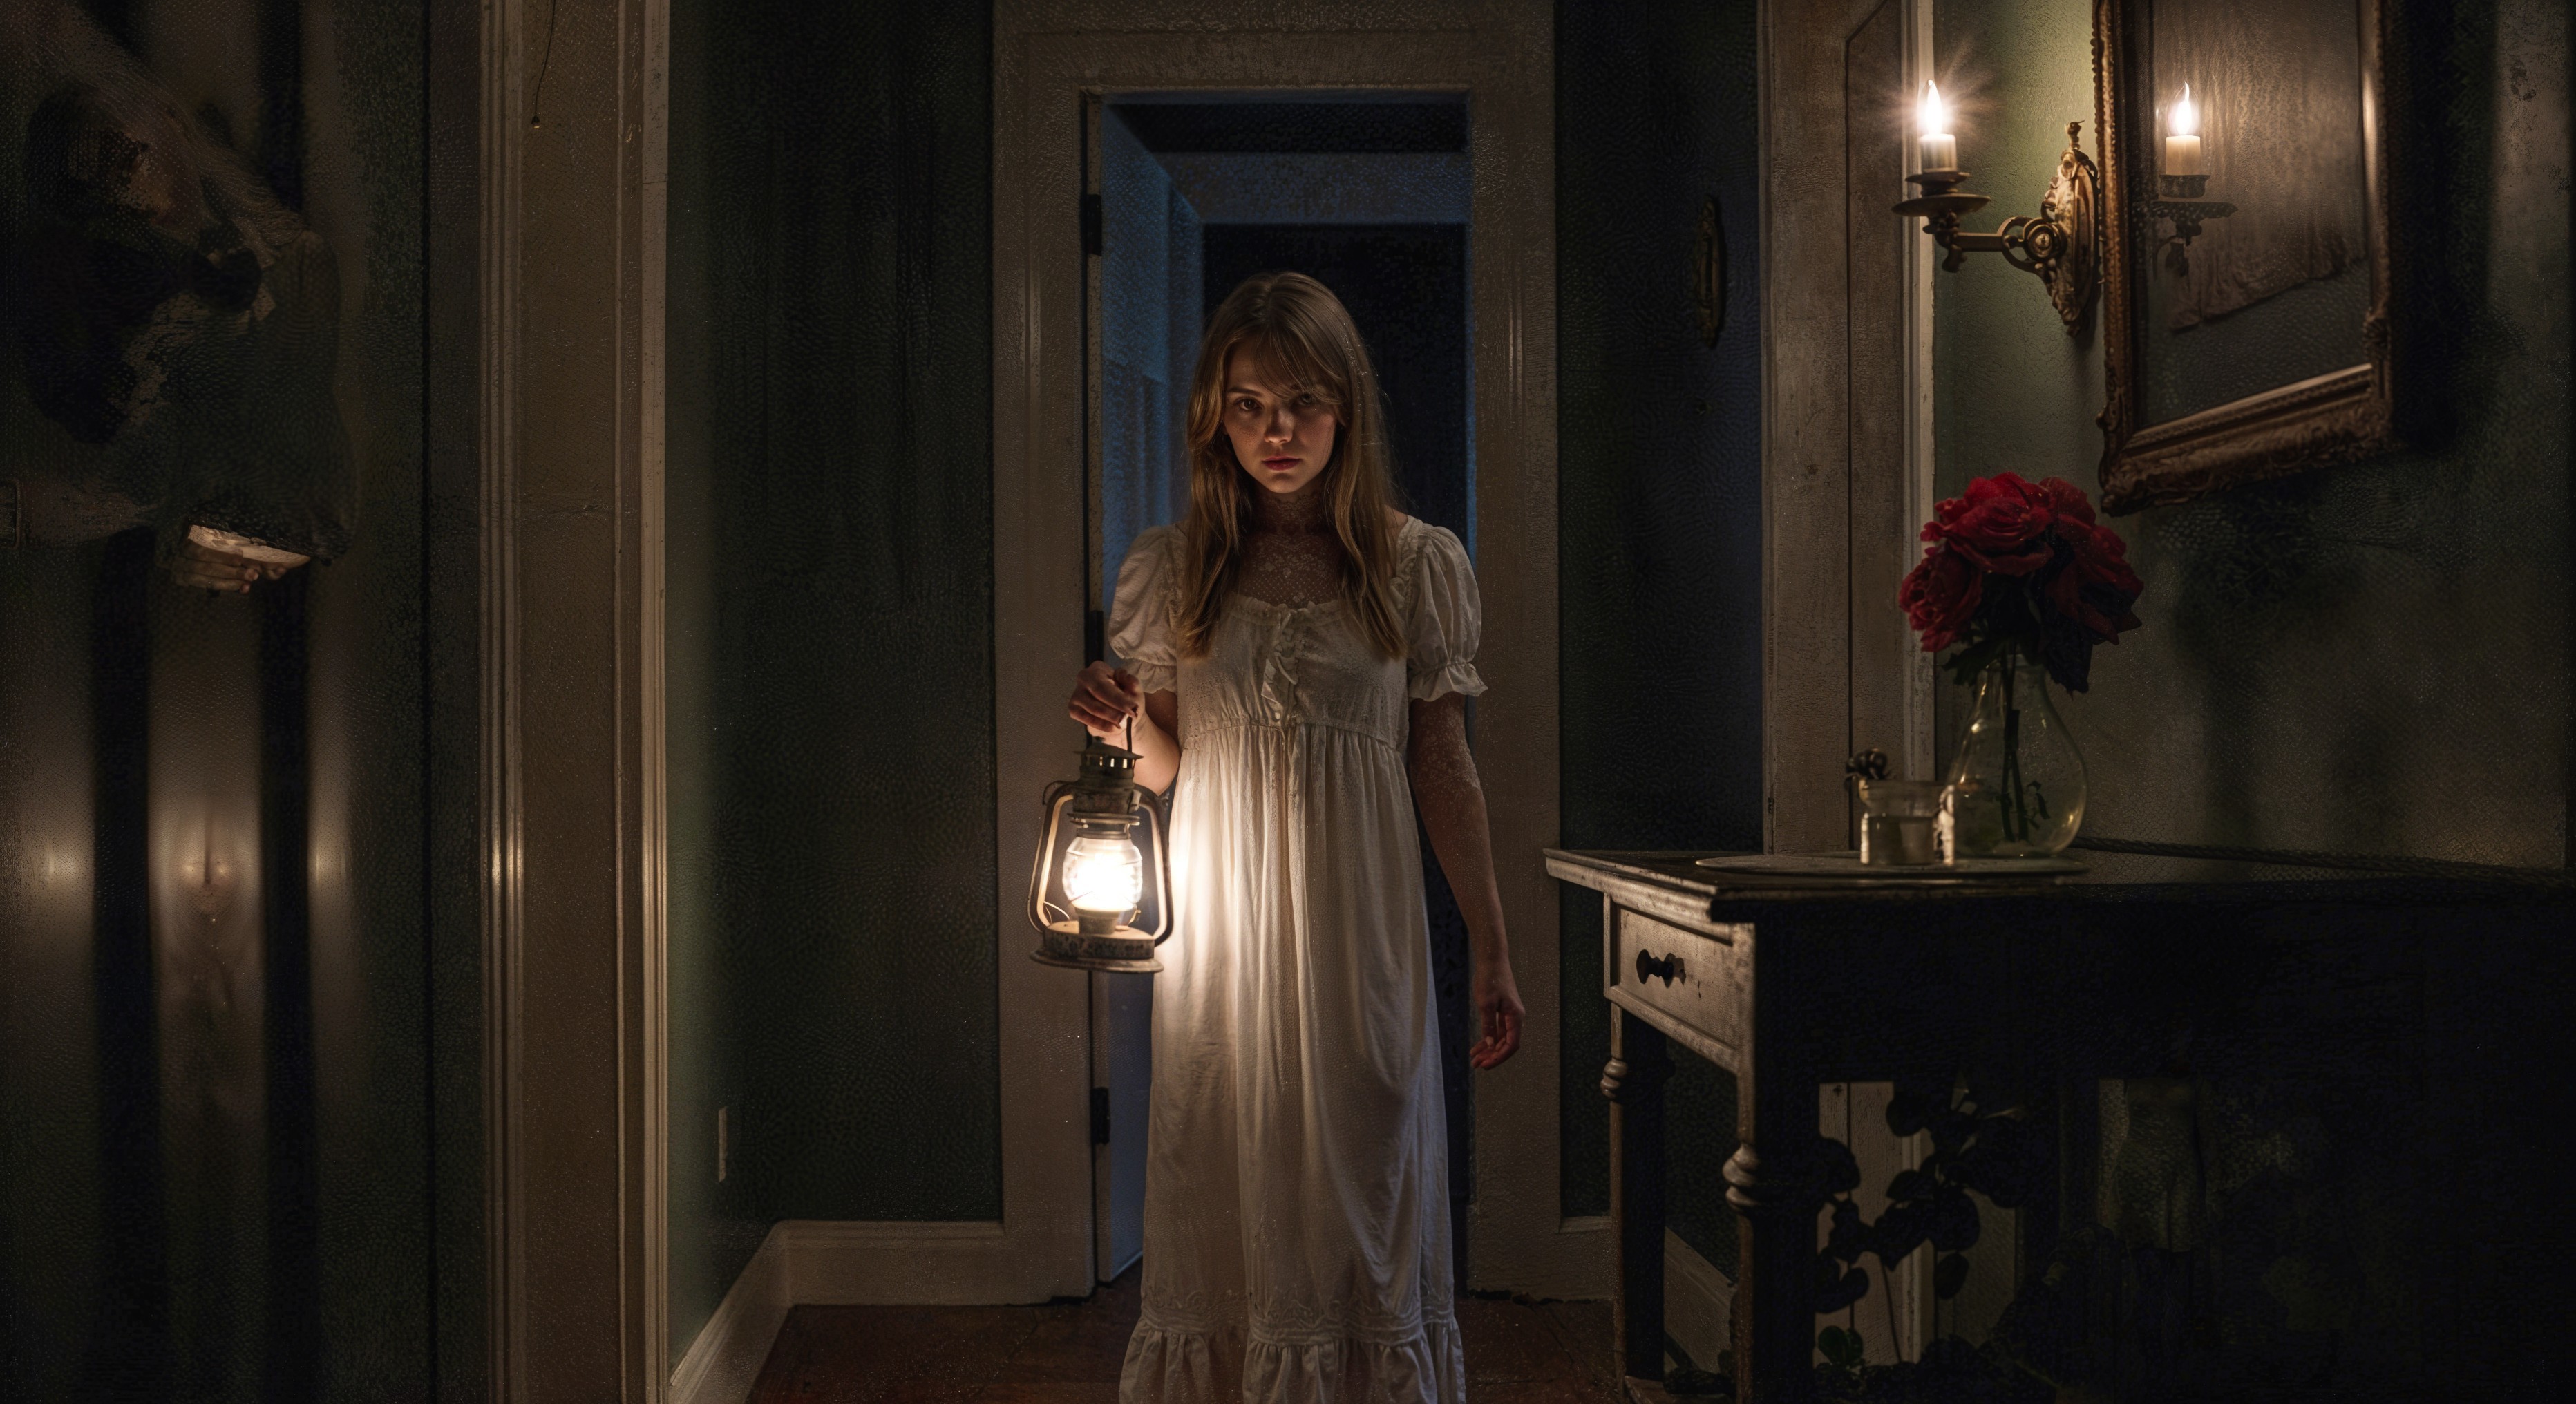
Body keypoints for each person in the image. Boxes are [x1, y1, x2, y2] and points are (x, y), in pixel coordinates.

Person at [1066, 272, 1522, 1404]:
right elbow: (1172, 766)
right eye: (1251, 404)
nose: (1278, 431)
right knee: (1226, 1166)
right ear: (1215, 414)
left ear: (1347, 409)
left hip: (1360, 932)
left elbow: (1443, 764)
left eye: (1305, 402)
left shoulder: (1415, 566)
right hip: (1224, 941)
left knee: (1365, 1178)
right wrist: (1123, 726)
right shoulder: (1178, 568)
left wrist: (1495, 946)